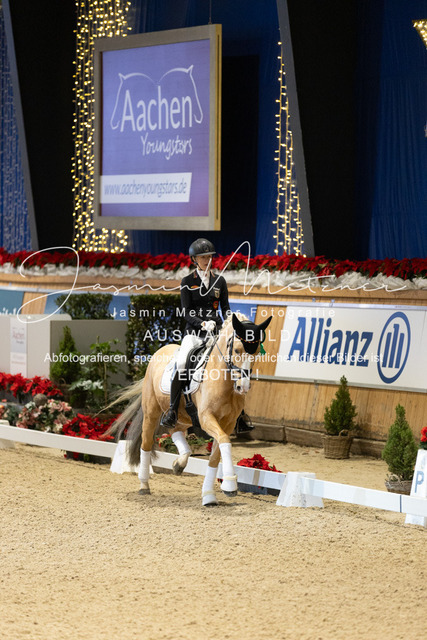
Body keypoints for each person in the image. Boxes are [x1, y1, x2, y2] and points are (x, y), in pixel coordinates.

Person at [160, 238, 252, 433]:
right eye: (203, 257)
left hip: (216, 332)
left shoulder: (220, 281)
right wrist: (201, 323)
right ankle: (172, 411)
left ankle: (240, 414)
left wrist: (230, 322)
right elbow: (186, 311)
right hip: (194, 333)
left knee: (232, 363)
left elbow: (225, 308)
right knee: (182, 363)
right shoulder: (187, 282)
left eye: (209, 257)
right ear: (194, 259)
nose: (207, 260)